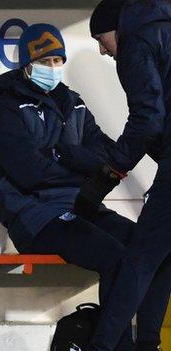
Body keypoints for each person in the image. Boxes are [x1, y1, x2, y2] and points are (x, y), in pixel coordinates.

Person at [0, 23, 166, 350]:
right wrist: (84, 167)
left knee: (153, 252)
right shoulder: (4, 112)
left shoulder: (72, 103)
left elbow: (107, 153)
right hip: (36, 217)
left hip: (84, 206)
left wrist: (66, 155)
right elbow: (30, 173)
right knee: (114, 256)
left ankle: (146, 343)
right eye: (45, 61)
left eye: (57, 61)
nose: (52, 69)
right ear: (26, 64)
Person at [81, 0, 171, 349]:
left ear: (116, 27)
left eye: (101, 39)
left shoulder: (136, 42)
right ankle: (147, 344)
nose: (103, 50)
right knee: (161, 258)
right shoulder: (163, 27)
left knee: (137, 259)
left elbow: (148, 121)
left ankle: (102, 346)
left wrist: (110, 173)